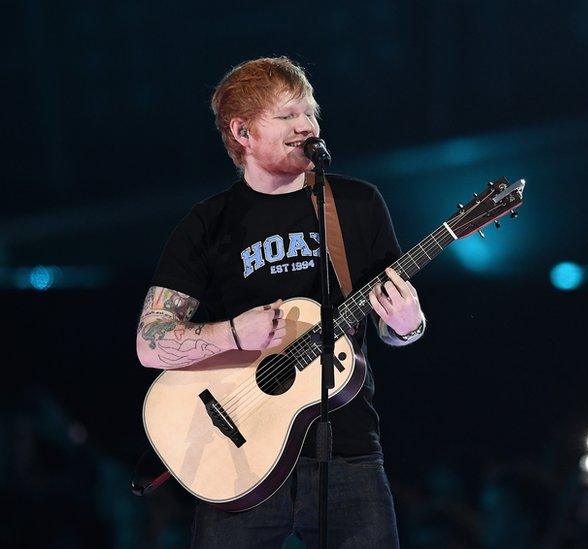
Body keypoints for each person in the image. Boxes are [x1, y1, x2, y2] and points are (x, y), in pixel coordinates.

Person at [135, 56, 425, 548]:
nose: (306, 125)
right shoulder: (208, 223)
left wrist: (407, 324)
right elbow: (149, 343)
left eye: (310, 113)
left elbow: (391, 327)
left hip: (348, 454)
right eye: (288, 115)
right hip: (237, 460)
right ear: (242, 131)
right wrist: (231, 333)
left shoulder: (356, 205)